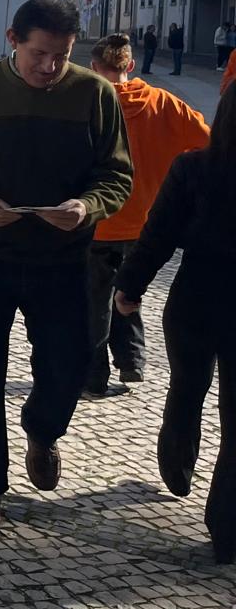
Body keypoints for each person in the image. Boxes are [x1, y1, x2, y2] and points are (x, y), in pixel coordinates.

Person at [0, 0, 131, 534]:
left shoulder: (95, 94)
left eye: (60, 56)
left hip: (62, 259)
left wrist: (87, 206)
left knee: (69, 365)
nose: (49, 67)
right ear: (13, 40)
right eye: (40, 53)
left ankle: (42, 429)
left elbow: (117, 176)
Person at [115, 84, 236, 563]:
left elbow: (157, 233)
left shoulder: (193, 168)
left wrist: (129, 287)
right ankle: (227, 528)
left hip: (194, 298)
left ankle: (177, 466)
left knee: (187, 387)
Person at [83, 34, 208, 397]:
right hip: (146, 222)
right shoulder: (164, 103)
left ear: (93, 67)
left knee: (94, 302)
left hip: (98, 221)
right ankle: (132, 360)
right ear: (131, 66)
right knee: (129, 289)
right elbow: (208, 143)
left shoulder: (89, 104)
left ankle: (93, 376)